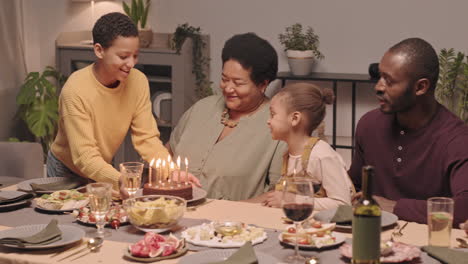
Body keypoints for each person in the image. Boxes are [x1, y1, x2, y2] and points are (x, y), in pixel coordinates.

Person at [348, 38, 468, 226]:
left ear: (421, 87)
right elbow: (354, 185)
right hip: (371, 238)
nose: (378, 87)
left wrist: (395, 207)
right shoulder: (368, 124)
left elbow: (464, 209)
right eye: (379, 77)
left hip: (431, 245)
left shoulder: (457, 139)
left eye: (389, 80)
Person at [47, 12, 170, 190]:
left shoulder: (138, 81)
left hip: (100, 165)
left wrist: (170, 170)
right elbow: (85, 157)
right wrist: (121, 180)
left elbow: (147, 138)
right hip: (65, 171)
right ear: (99, 50)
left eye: (135, 55)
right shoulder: (75, 90)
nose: (131, 64)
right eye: (123, 56)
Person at [168, 33, 287, 201]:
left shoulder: (277, 125)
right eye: (224, 79)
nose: (228, 88)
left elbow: (279, 194)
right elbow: (167, 153)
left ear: (263, 84)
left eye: (238, 83)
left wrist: (230, 214)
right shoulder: (202, 108)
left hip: (235, 224)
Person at [260, 83, 355, 210]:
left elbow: (342, 204)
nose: (268, 121)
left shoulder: (321, 155)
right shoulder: (287, 153)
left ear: (294, 118)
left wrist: (293, 201)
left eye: (273, 114)